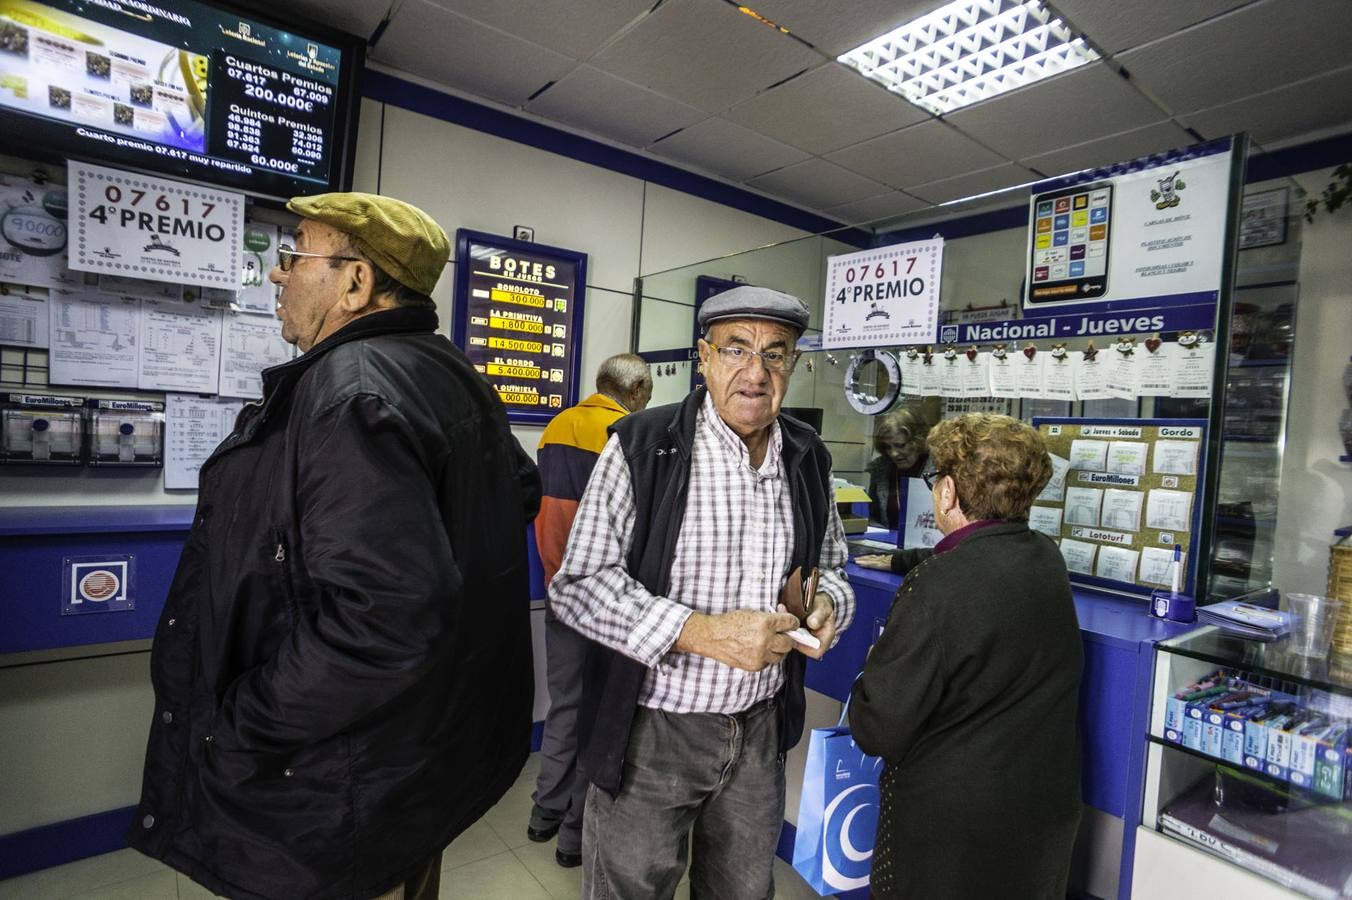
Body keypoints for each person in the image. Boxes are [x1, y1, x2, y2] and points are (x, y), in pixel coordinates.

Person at [128, 192, 541, 900]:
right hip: (419, 765)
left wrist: (240, 720)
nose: (277, 275)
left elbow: (384, 619)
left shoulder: (347, 393)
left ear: (356, 282)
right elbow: (516, 494)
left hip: (341, 782)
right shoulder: (451, 375)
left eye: (293, 255)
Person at [550, 285, 856, 900]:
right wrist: (703, 633)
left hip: (760, 729)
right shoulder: (643, 445)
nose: (756, 371)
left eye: (776, 353)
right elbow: (578, 585)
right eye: (736, 349)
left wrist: (827, 608)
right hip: (653, 729)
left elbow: (834, 571)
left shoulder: (807, 458)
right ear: (704, 358)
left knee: (742, 891)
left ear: (793, 366)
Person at [848, 413, 1083, 899]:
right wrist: (903, 558)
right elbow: (981, 561)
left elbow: (877, 728)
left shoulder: (937, 586)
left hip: (950, 838)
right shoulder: (1045, 558)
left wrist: (874, 669)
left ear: (949, 492)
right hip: (1037, 822)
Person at [528, 353, 653, 868]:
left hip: (559, 593)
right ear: (637, 389)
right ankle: (573, 837)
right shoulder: (630, 435)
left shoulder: (556, 427)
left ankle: (544, 812)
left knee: (564, 705)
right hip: (603, 603)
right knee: (599, 715)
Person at [865, 405, 932, 529]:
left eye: (900, 445)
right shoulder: (881, 469)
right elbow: (872, 516)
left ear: (918, 441)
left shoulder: (938, 468)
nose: (893, 453)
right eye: (888, 447)